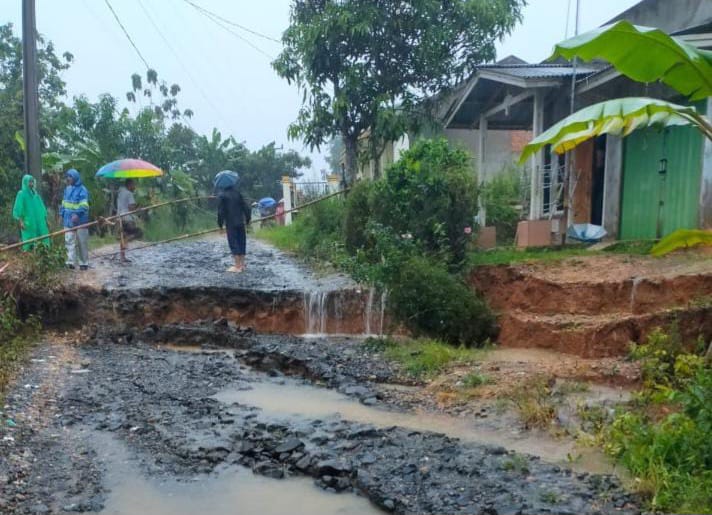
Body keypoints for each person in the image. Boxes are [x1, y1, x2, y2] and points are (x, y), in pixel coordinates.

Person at [59, 169, 90, 270]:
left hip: (81, 220)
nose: (68, 179)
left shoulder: (83, 190)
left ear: (75, 177)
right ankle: (70, 262)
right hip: (68, 220)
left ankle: (84, 263)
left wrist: (77, 214)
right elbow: (63, 203)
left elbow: (84, 205)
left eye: (70, 176)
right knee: (69, 241)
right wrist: (61, 214)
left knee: (82, 242)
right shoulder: (67, 189)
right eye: (67, 176)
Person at [217, 184, 251, 273]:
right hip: (240, 222)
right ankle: (243, 265)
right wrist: (248, 219)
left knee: (233, 242)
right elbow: (246, 207)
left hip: (231, 223)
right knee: (241, 241)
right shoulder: (238, 193)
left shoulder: (222, 195)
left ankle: (237, 266)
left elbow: (220, 212)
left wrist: (220, 225)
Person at [12, 174, 50, 251]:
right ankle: (29, 257)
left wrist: (46, 220)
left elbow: (42, 208)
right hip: (28, 222)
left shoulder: (36, 195)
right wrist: (21, 222)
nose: (31, 184)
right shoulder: (21, 194)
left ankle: (42, 254)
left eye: (32, 182)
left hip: (39, 221)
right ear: (25, 182)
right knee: (29, 241)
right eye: (29, 182)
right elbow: (17, 209)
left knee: (42, 239)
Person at [116, 179, 142, 263]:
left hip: (119, 217)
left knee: (123, 235)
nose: (135, 187)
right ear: (129, 185)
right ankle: (126, 241)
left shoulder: (120, 192)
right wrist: (138, 208)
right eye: (134, 185)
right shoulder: (129, 193)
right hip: (127, 218)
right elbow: (131, 208)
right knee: (138, 232)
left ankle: (122, 257)